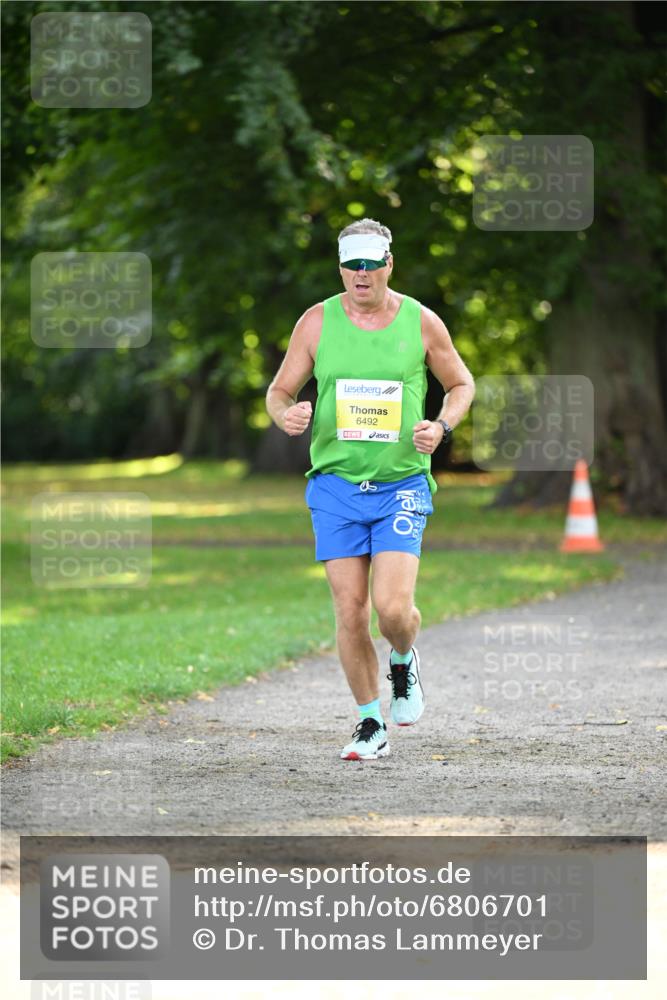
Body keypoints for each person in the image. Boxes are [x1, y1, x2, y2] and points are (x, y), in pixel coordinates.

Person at [266, 218, 475, 761]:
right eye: (351, 264)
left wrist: (442, 426)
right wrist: (288, 413)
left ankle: (404, 660)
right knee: (350, 610)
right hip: (335, 486)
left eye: (370, 263)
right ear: (340, 267)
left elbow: (460, 383)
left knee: (392, 610)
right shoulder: (316, 322)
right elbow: (278, 390)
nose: (361, 274)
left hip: (400, 483)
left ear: (388, 264)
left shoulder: (421, 321)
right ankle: (368, 721)